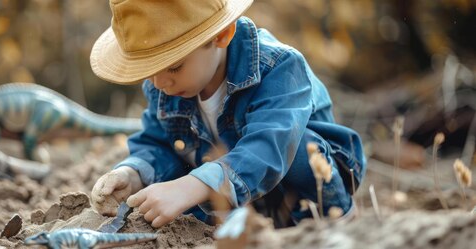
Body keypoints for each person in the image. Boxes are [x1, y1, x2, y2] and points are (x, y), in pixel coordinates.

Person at [89, 0, 366, 228]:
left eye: (173, 67)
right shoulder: (163, 86)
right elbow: (157, 142)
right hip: (236, 200)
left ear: (221, 34)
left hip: (302, 194)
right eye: (149, 70)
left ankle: (335, 222)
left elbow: (268, 149)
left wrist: (193, 185)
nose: (160, 83)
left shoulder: (280, 67)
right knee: (170, 183)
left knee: (303, 148)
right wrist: (133, 172)